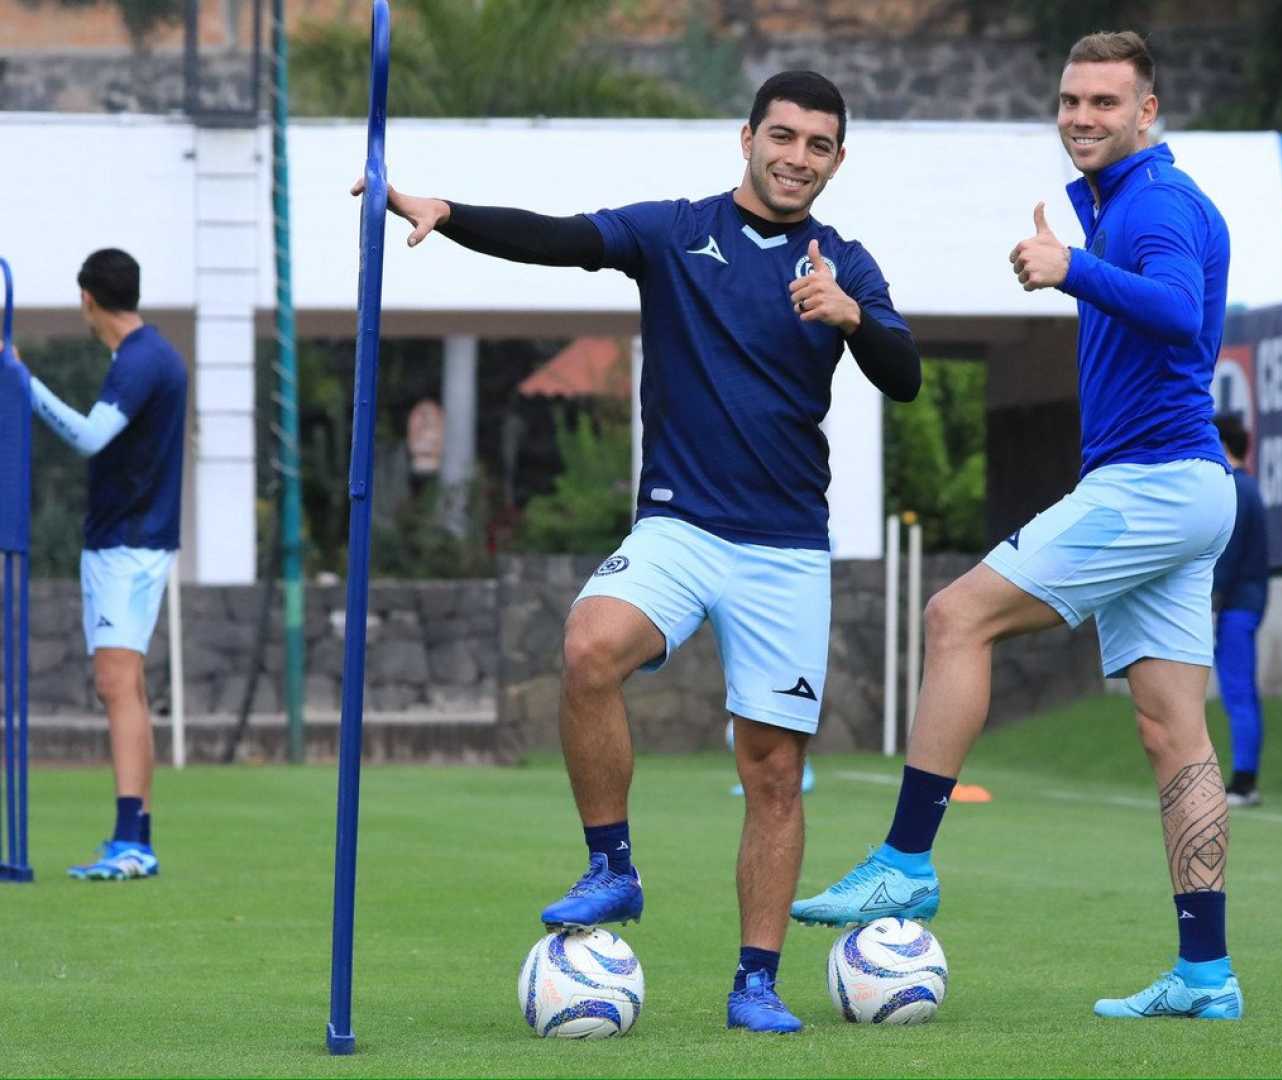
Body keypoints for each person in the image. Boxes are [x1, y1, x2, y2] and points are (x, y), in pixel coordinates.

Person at [362, 71, 920, 1033]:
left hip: (786, 547)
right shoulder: (673, 231)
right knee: (589, 649)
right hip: (680, 526)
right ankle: (612, 866)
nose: (795, 157)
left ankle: (755, 983)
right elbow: (562, 237)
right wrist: (445, 212)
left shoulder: (847, 265)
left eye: (817, 145)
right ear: (744, 137)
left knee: (774, 772)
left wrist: (853, 318)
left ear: (837, 159)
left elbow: (904, 378)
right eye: (780, 136)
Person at [792, 31, 1244, 1021]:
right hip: (1186, 488)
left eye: (1105, 103)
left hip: (1153, 485)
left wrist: (1067, 268)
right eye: (1071, 100)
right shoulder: (1115, 200)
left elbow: (1177, 309)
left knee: (957, 616)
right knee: (1173, 734)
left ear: (1147, 112)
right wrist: (1077, 253)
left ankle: (905, 859)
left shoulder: (1156, 204)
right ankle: (1206, 975)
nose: (1082, 117)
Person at [25, 249, 187, 881]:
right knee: (127, 687)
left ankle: (130, 842)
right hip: (128, 539)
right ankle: (134, 834)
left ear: (88, 298)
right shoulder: (149, 357)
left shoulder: (142, 360)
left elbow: (92, 436)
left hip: (128, 543)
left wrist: (22, 383)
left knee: (117, 686)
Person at [1211, 414, 1268, 807]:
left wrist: (1212, 600)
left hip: (1236, 605)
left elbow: (1227, 555)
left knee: (1238, 692)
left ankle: (1245, 781)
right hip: (1244, 602)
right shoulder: (1247, 487)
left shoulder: (1235, 488)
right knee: (1239, 691)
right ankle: (1243, 778)